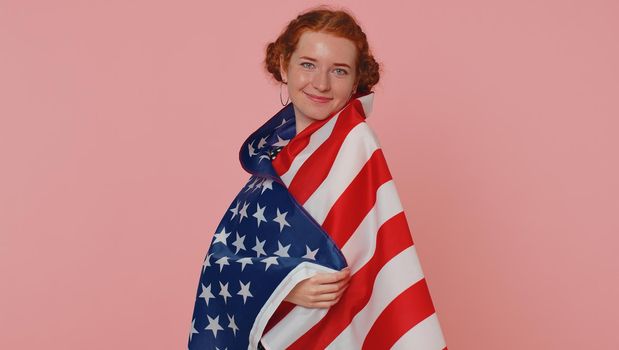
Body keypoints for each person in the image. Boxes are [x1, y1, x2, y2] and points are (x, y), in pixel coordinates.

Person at [188, 6, 447, 350]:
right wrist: (286, 285)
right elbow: (222, 263)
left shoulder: (354, 142)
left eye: (339, 71)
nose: (321, 83)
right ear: (284, 65)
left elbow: (370, 264)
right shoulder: (275, 157)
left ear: (356, 81)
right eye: (308, 64)